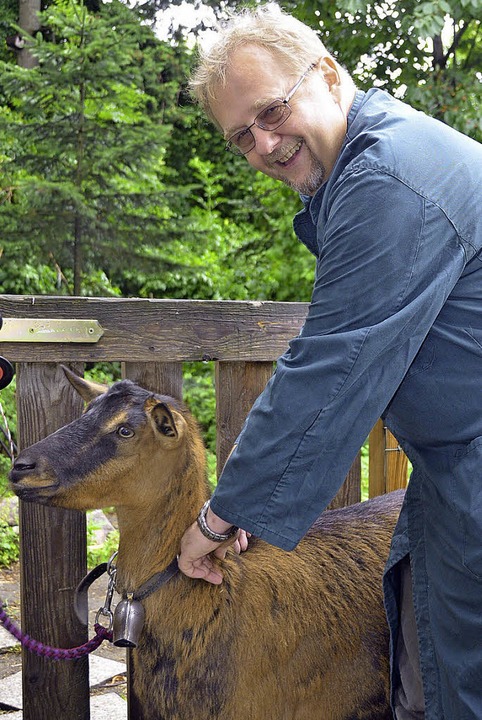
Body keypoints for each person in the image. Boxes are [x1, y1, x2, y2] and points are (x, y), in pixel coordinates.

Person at [177, 4, 482, 719]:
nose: (262, 144)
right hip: (452, 486)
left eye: (272, 111)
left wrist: (222, 517)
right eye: (241, 137)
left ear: (328, 75)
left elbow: (332, 370)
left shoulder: (390, 181)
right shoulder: (374, 165)